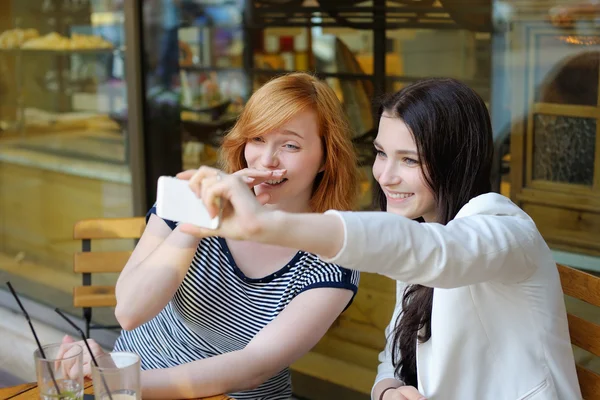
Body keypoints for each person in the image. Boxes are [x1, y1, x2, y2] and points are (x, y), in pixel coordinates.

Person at [180, 78, 581, 400]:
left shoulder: (504, 232)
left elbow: (436, 253)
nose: (385, 175)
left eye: (409, 159)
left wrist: (265, 224)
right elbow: (394, 354)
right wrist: (388, 389)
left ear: (454, 160)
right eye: (381, 153)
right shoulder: (424, 230)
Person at [60, 72, 361, 400]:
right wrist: (195, 224)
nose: (266, 159)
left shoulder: (332, 256)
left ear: (324, 159)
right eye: (257, 139)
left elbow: (253, 366)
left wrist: (121, 381)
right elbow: (130, 312)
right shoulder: (189, 197)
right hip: (133, 383)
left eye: (290, 145)